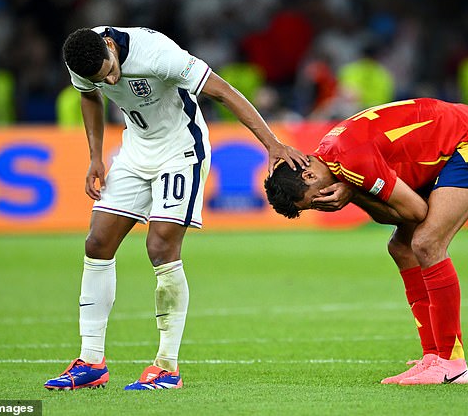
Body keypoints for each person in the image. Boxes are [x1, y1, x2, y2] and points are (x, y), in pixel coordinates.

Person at [44, 26, 307, 391]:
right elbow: (90, 97)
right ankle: (91, 361)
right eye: (103, 78)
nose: (111, 79)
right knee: (97, 244)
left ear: (110, 46)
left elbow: (223, 91)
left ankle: (167, 366)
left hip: (180, 152)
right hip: (135, 152)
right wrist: (94, 157)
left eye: (110, 70)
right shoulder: (82, 57)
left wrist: (273, 144)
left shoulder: (157, 53)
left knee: (161, 248)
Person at [264, 98, 468, 385]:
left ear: (308, 174)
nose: (321, 204)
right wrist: (354, 191)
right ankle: (433, 357)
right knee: (401, 248)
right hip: (440, 146)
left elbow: (416, 213)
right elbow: (396, 212)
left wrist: (354, 194)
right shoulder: (331, 156)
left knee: (427, 243)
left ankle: (453, 365)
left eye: (313, 201)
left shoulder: (350, 161)